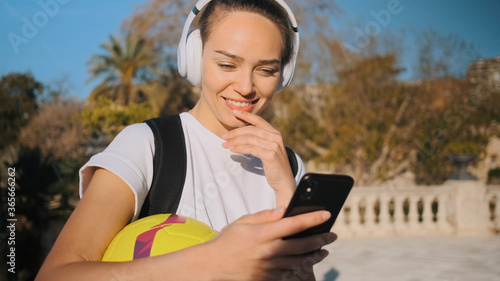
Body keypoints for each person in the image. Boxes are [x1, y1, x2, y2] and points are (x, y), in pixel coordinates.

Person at [35, 0, 337, 280]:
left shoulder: (288, 164)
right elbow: (56, 274)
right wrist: (213, 259)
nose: (246, 87)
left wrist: (286, 190)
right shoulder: (147, 145)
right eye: (227, 65)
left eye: (266, 70)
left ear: (283, 75)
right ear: (194, 58)